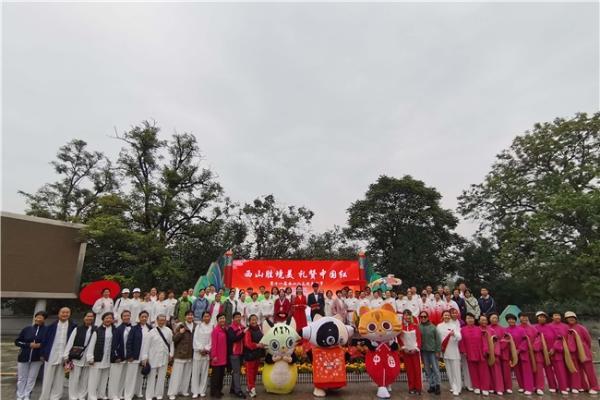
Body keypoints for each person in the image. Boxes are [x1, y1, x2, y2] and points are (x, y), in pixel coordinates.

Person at [40, 307, 76, 400]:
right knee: (47, 378)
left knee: (60, 378)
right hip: (51, 355)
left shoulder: (73, 326)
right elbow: (44, 341)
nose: (65, 314)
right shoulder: (51, 326)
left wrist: (70, 355)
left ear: (70, 314)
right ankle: (44, 397)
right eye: (63, 312)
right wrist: (43, 354)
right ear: (59, 313)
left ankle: (55, 397)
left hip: (64, 356)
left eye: (67, 312)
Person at [15, 310, 47, 400]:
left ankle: (27, 395)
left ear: (44, 319)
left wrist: (41, 345)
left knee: (32, 378)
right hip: (23, 357)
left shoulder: (46, 330)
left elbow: (48, 343)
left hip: (37, 358)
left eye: (41, 317)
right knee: (21, 378)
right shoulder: (27, 329)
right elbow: (17, 341)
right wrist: (28, 345)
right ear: (35, 318)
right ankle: (20, 395)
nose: (39, 319)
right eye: (37, 317)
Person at [141, 314, 174, 400]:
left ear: (165, 321)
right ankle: (149, 395)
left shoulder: (169, 331)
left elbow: (171, 343)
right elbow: (146, 345)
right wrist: (145, 356)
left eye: (163, 320)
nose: (162, 322)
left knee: (162, 377)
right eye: (160, 320)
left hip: (164, 356)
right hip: (153, 356)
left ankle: (159, 395)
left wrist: (171, 354)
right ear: (157, 320)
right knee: (151, 377)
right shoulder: (152, 332)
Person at [565, 311, 598, 394]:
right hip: (573, 354)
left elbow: (588, 340)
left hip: (584, 352)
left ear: (575, 319)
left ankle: (595, 387)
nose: (571, 319)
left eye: (573, 317)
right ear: (566, 319)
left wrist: (584, 349)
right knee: (578, 371)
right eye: (569, 318)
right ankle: (583, 386)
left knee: (589, 371)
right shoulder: (566, 328)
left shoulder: (581, 328)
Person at [64, 311, 94, 400]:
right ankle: (73, 396)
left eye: (91, 316)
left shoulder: (95, 329)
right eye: (88, 316)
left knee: (85, 379)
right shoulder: (78, 329)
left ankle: (81, 396)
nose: (90, 318)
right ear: (84, 318)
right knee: (74, 378)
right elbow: (70, 342)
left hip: (88, 357)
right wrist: (66, 355)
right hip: (77, 356)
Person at [460, 313, 490, 396]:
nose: (470, 320)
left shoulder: (479, 329)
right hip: (469, 352)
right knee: (473, 370)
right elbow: (461, 342)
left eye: (472, 318)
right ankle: (476, 387)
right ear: (465, 320)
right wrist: (464, 351)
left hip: (480, 352)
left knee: (483, 370)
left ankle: (484, 388)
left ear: (474, 319)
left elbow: (484, 340)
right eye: (468, 318)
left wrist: (485, 350)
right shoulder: (462, 330)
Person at [86, 312, 115, 400]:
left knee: (104, 378)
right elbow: (91, 345)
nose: (108, 320)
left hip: (107, 358)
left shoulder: (114, 330)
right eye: (106, 318)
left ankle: (101, 395)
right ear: (103, 319)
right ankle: (92, 396)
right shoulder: (97, 331)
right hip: (98, 357)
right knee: (94, 378)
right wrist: (90, 357)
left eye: (110, 318)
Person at [124, 310, 152, 400]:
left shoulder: (150, 328)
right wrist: (129, 355)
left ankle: (138, 392)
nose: (144, 318)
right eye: (142, 317)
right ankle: (128, 395)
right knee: (131, 376)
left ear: (147, 318)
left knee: (140, 376)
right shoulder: (134, 328)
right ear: (139, 318)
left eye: (145, 317)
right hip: (134, 356)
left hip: (145, 356)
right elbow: (129, 342)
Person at [168, 311, 195, 400]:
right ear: (185, 316)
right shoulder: (180, 326)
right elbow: (174, 339)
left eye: (191, 315)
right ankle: (172, 392)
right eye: (188, 315)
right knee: (176, 375)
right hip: (180, 354)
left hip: (190, 354)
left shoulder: (195, 326)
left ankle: (183, 390)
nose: (190, 317)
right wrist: (180, 332)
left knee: (186, 375)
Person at [505, 313, 534, 395]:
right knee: (517, 370)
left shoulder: (521, 329)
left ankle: (529, 388)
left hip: (522, 352)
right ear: (507, 321)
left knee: (526, 370)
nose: (511, 321)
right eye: (509, 319)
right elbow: (504, 341)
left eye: (513, 319)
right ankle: (522, 386)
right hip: (512, 354)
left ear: (515, 320)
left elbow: (525, 340)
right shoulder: (506, 330)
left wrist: (519, 350)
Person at [437, 310, 462, 396]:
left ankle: (458, 388)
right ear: (442, 316)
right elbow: (438, 339)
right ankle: (453, 386)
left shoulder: (454, 325)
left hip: (454, 351)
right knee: (449, 371)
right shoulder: (439, 326)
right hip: (445, 351)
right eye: (445, 315)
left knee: (456, 371)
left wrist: (454, 333)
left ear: (450, 316)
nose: (446, 316)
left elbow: (459, 337)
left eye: (448, 315)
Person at [109, 310, 132, 400]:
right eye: (125, 316)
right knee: (115, 377)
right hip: (119, 357)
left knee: (123, 377)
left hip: (127, 357)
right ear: (122, 318)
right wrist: (116, 356)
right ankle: (112, 395)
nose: (127, 317)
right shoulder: (118, 329)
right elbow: (114, 344)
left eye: (128, 315)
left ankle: (119, 394)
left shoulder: (132, 328)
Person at [533, 311, 558, 394]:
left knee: (549, 370)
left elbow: (557, 339)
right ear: (537, 318)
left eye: (543, 317)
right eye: (540, 317)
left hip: (550, 352)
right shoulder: (534, 328)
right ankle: (539, 387)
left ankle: (553, 386)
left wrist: (553, 348)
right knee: (539, 370)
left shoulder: (551, 327)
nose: (542, 318)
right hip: (539, 352)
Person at [399, 309, 423, 394]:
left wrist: (416, 348)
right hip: (406, 352)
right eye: (405, 315)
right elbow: (399, 340)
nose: (407, 317)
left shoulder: (415, 326)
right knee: (409, 371)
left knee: (417, 370)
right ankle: (411, 387)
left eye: (409, 315)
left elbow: (419, 338)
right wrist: (404, 348)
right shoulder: (400, 327)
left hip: (415, 352)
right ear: (403, 317)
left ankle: (418, 388)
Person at [489, 312, 513, 394]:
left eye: (496, 318)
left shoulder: (503, 329)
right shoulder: (488, 329)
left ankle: (508, 387)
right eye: (492, 318)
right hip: (493, 353)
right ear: (489, 319)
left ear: (498, 319)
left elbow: (506, 340)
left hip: (503, 351)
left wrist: (500, 344)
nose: (494, 319)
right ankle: (497, 387)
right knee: (495, 371)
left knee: (506, 370)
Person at [480, 314, 503, 396]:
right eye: (482, 320)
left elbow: (496, 342)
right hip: (483, 354)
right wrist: (484, 351)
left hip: (493, 353)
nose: (484, 322)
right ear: (479, 321)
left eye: (485, 320)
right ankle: (490, 387)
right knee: (486, 372)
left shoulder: (492, 330)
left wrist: (493, 352)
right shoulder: (478, 330)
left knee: (496, 371)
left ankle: (499, 388)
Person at [419, 311, 441, 395]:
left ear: (428, 317)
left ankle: (437, 385)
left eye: (425, 316)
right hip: (424, 351)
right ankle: (431, 385)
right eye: (421, 317)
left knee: (435, 369)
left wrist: (438, 351)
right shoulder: (418, 327)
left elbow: (438, 340)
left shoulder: (433, 327)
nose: (423, 318)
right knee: (427, 370)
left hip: (432, 351)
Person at [549, 312, 570, 395]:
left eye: (558, 315)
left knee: (563, 370)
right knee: (553, 371)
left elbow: (565, 338)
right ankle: (556, 387)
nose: (557, 317)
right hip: (550, 352)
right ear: (552, 317)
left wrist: (555, 348)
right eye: (555, 315)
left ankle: (565, 386)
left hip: (563, 351)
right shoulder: (549, 326)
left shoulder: (565, 326)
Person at [192, 311, 212, 398]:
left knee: (204, 373)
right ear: (202, 317)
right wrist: (200, 348)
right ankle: (195, 391)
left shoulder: (212, 326)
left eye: (208, 316)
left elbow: (212, 340)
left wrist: (207, 349)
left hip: (206, 353)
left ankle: (202, 390)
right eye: (205, 316)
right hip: (198, 352)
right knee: (196, 372)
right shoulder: (198, 326)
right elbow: (195, 338)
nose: (207, 318)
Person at [243, 314, 264, 398]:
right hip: (250, 355)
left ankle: (250, 387)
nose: (254, 321)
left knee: (254, 373)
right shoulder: (248, 331)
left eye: (255, 320)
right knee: (250, 373)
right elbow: (248, 344)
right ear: (249, 321)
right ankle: (252, 389)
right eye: (252, 320)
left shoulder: (259, 329)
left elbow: (262, 339)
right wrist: (258, 345)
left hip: (257, 355)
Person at [227, 311, 246, 398]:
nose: (238, 318)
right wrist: (243, 333)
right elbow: (233, 339)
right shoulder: (231, 328)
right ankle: (238, 390)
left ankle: (232, 388)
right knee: (237, 372)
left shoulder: (242, 327)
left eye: (240, 317)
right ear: (233, 319)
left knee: (237, 371)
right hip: (234, 353)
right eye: (236, 317)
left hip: (241, 353)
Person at [210, 313, 228, 398]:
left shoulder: (224, 330)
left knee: (221, 375)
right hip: (217, 357)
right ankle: (214, 391)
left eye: (223, 318)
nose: (222, 320)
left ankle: (219, 390)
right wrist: (214, 356)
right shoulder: (215, 330)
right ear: (217, 320)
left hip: (223, 357)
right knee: (216, 376)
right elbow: (214, 344)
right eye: (220, 318)